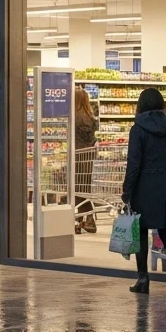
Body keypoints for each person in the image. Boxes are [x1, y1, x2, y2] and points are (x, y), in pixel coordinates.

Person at [122, 87, 166, 296]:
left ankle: (142, 279)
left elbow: (133, 165)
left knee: (141, 231)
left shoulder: (138, 129)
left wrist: (127, 192)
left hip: (144, 188)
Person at [74, 86, 98, 234]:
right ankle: (87, 219)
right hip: (88, 157)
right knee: (84, 188)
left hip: (75, 157)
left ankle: (83, 219)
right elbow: (93, 138)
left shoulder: (72, 117)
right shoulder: (91, 118)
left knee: (75, 189)